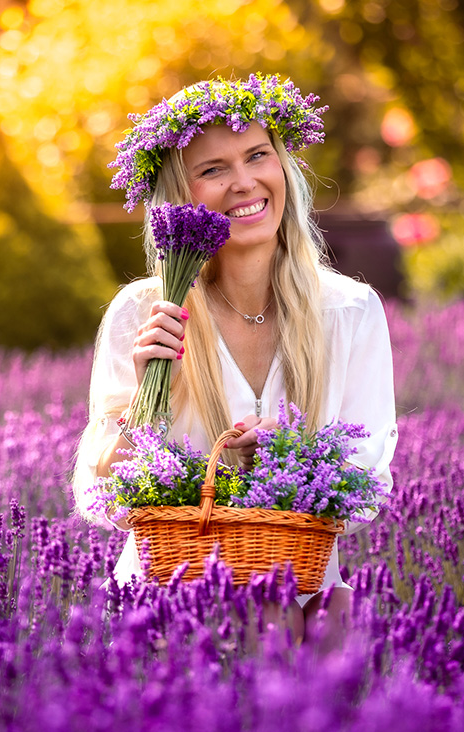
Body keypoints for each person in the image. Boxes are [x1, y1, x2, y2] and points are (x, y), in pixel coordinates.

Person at [72, 74, 398, 649]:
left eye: (257, 156)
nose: (245, 182)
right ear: (180, 196)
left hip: (301, 587)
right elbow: (98, 499)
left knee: (318, 626)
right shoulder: (143, 312)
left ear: (282, 166)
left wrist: (287, 455)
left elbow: (368, 477)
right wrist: (152, 396)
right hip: (167, 596)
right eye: (213, 169)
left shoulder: (349, 311)